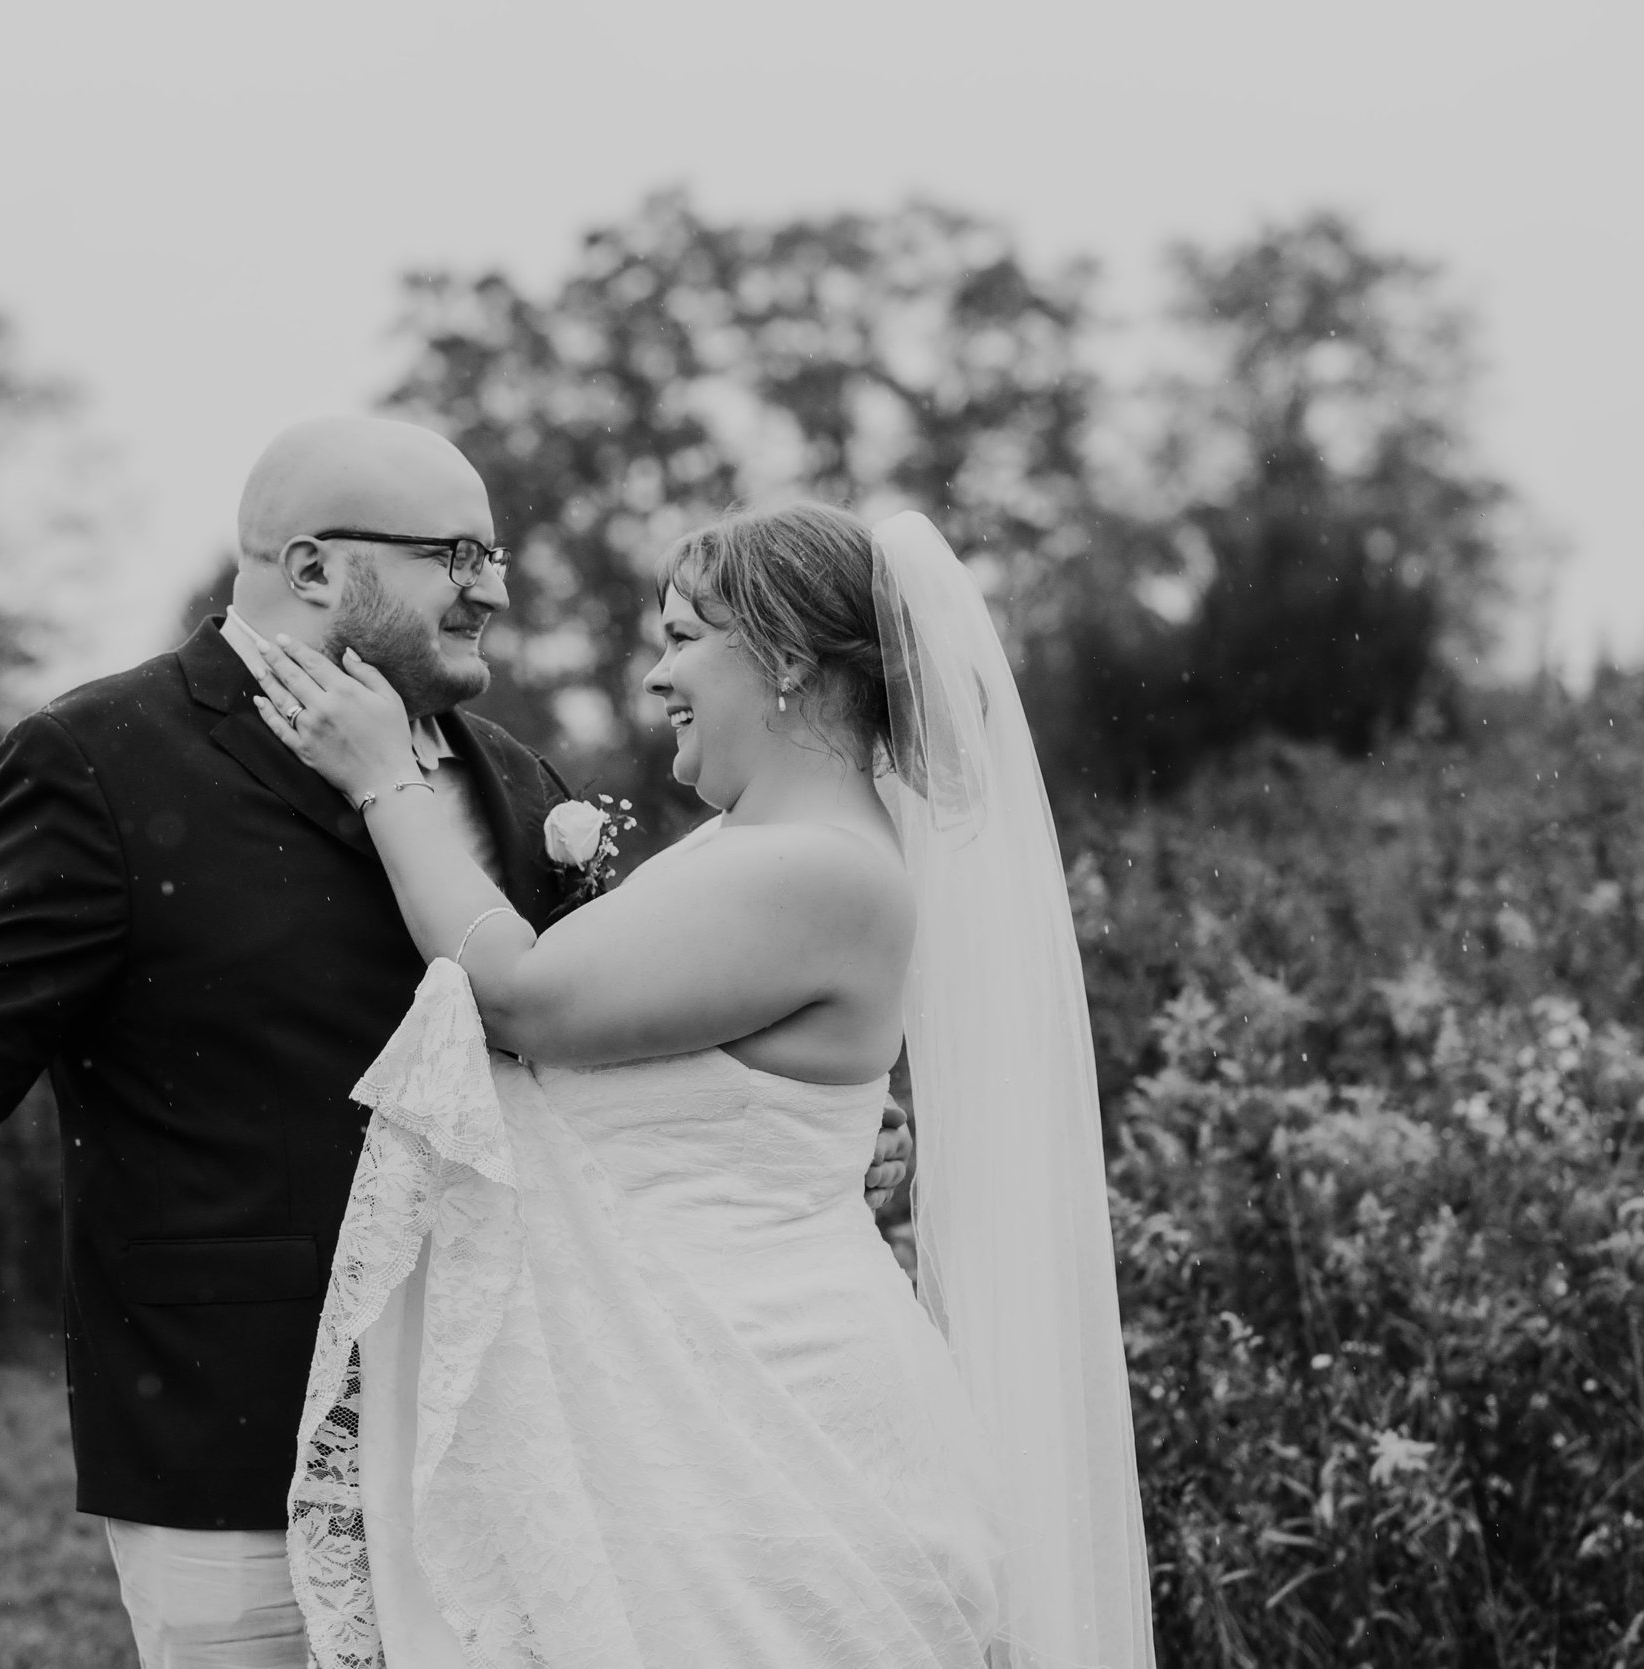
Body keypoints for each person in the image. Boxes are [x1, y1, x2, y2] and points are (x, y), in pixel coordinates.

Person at [0, 417, 912, 1668]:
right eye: (457, 555)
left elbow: (604, 1044)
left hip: (517, 1447)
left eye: (494, 556)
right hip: (236, 1443)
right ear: (314, 567)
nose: (495, 590)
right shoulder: (105, 759)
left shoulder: (518, 783)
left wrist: (798, 1135)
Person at [251, 502, 1156, 1667]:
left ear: (783, 657)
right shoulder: (770, 848)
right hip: (697, 1411)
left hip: (764, 1433)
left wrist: (386, 781)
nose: (656, 677)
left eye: (683, 637)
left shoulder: (813, 865)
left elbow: (523, 998)